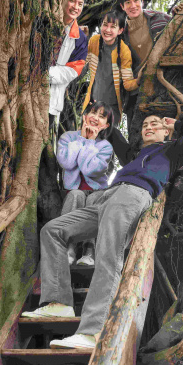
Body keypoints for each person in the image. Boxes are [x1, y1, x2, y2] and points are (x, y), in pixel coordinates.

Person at [22, 114, 183, 349]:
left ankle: (92, 332)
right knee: (53, 230)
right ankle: (59, 302)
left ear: (166, 132)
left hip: (133, 195)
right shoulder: (134, 156)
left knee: (108, 253)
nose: (148, 127)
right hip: (106, 198)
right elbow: (115, 137)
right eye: (145, 125)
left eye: (155, 125)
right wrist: (100, 120)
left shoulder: (172, 151)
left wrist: (176, 123)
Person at [57, 101, 114, 266]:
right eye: (93, 113)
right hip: (73, 190)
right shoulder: (67, 138)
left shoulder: (105, 147)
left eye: (102, 116)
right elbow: (67, 163)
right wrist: (81, 139)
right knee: (76, 196)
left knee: (93, 201)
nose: (96, 118)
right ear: (84, 116)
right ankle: (69, 248)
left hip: (96, 191)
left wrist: (90, 142)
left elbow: (91, 170)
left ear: (106, 125)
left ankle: (89, 250)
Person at [80, 10, 137, 165]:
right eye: (105, 25)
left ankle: (128, 162)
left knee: (107, 135)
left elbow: (127, 82)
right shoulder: (94, 41)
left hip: (112, 107)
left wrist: (140, 80)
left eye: (113, 27)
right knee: (87, 137)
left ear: (120, 31)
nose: (108, 30)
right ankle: (84, 174)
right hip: (93, 103)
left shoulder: (123, 51)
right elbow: (83, 64)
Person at [49, 0, 89, 121]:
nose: (76, 7)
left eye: (80, 4)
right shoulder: (45, 21)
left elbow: (73, 70)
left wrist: (45, 74)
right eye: (72, 1)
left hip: (51, 101)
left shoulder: (81, 38)